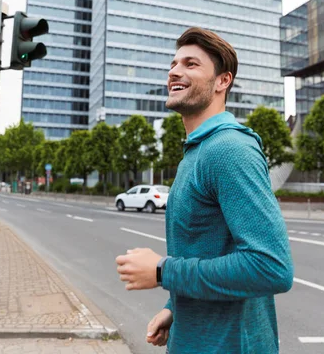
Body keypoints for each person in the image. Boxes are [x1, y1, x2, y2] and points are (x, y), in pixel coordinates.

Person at [115, 27, 294, 353]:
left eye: (191, 64)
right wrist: (175, 307)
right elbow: (208, 251)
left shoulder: (230, 149)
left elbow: (271, 268)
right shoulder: (197, 152)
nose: (174, 71)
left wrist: (161, 270)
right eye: (173, 63)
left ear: (222, 81)